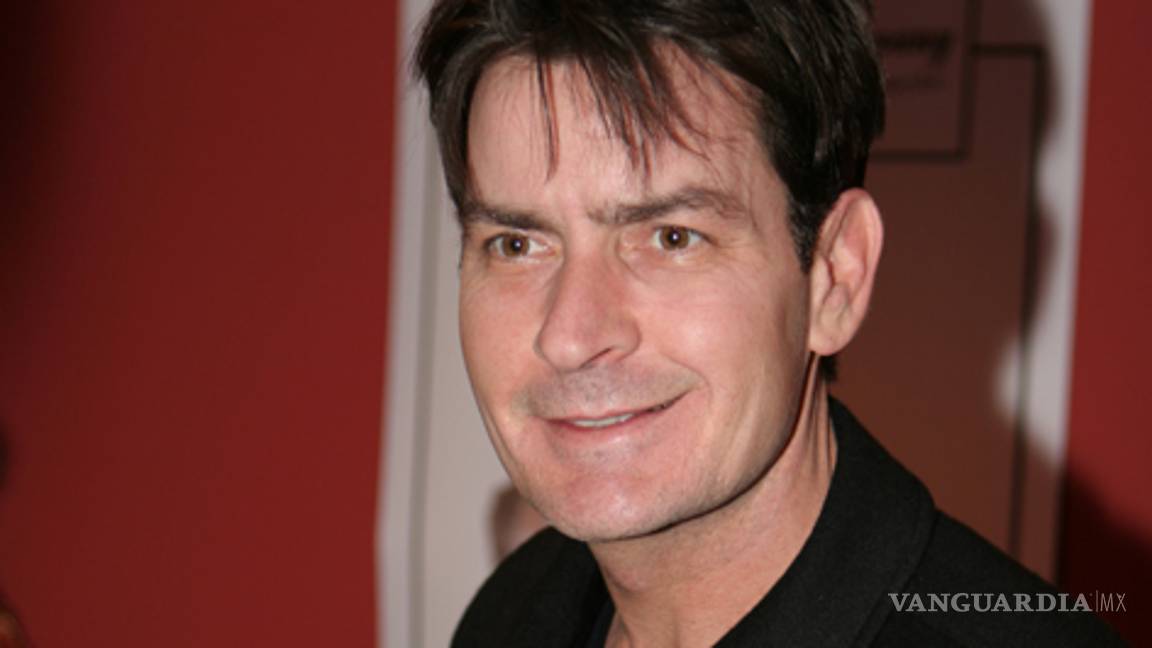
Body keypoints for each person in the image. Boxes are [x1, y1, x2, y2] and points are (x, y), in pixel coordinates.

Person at [413, 1, 1121, 645]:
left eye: (671, 238)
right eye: (516, 244)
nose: (569, 336)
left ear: (835, 277)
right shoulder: (516, 613)